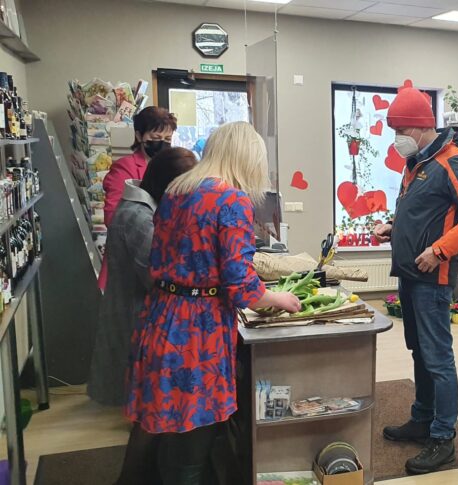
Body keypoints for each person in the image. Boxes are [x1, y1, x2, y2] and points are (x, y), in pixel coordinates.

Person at [123, 122, 300, 484]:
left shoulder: (177, 190)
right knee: (193, 440)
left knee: (167, 427)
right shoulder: (231, 200)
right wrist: (280, 299)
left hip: (161, 316)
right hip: (196, 331)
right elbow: (241, 286)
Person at [373, 82, 458, 475]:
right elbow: (425, 213)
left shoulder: (452, 161)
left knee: (438, 358)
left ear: (422, 126)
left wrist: (440, 250)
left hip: (432, 277)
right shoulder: (418, 162)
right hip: (411, 274)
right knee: (420, 352)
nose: (397, 138)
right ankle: (422, 418)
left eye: (401, 130)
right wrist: (395, 228)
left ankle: (443, 439)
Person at [89, 147, 198, 408]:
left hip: (134, 306)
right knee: (138, 398)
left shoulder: (142, 208)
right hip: (134, 311)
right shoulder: (137, 216)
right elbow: (157, 273)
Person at [100, 106, 177, 290]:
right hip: (130, 264)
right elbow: (114, 217)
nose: (162, 144)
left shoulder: (172, 167)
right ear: (139, 135)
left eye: (167, 139)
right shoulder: (125, 168)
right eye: (156, 138)